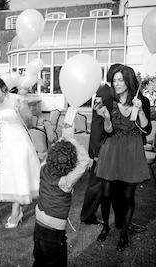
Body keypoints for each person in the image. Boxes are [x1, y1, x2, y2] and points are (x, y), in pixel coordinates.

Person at [95, 65, 151, 252]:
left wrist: (141, 111)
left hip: (132, 150)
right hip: (112, 149)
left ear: (128, 81)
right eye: (114, 80)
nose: (116, 84)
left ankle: (124, 233)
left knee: (128, 196)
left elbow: (147, 129)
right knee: (105, 193)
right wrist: (106, 118)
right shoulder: (110, 101)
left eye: (120, 80)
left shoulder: (141, 100)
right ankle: (105, 227)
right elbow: (108, 130)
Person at [0, 76, 40, 228]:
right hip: (5, 143)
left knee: (19, 173)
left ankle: (16, 212)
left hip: (19, 141)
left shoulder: (17, 98)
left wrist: (21, 110)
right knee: (10, 175)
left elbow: (29, 122)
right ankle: (18, 208)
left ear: (2, 86)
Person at [33, 127, 90, 267]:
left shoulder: (43, 168)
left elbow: (53, 151)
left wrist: (63, 138)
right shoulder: (65, 182)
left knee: (39, 261)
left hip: (39, 224)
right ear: (71, 163)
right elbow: (84, 161)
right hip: (54, 231)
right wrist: (71, 139)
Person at [80, 63, 123, 225]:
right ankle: (87, 215)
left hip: (104, 144)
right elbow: (98, 125)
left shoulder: (106, 91)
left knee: (103, 183)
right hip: (101, 146)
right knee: (96, 184)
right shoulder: (105, 94)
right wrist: (97, 152)